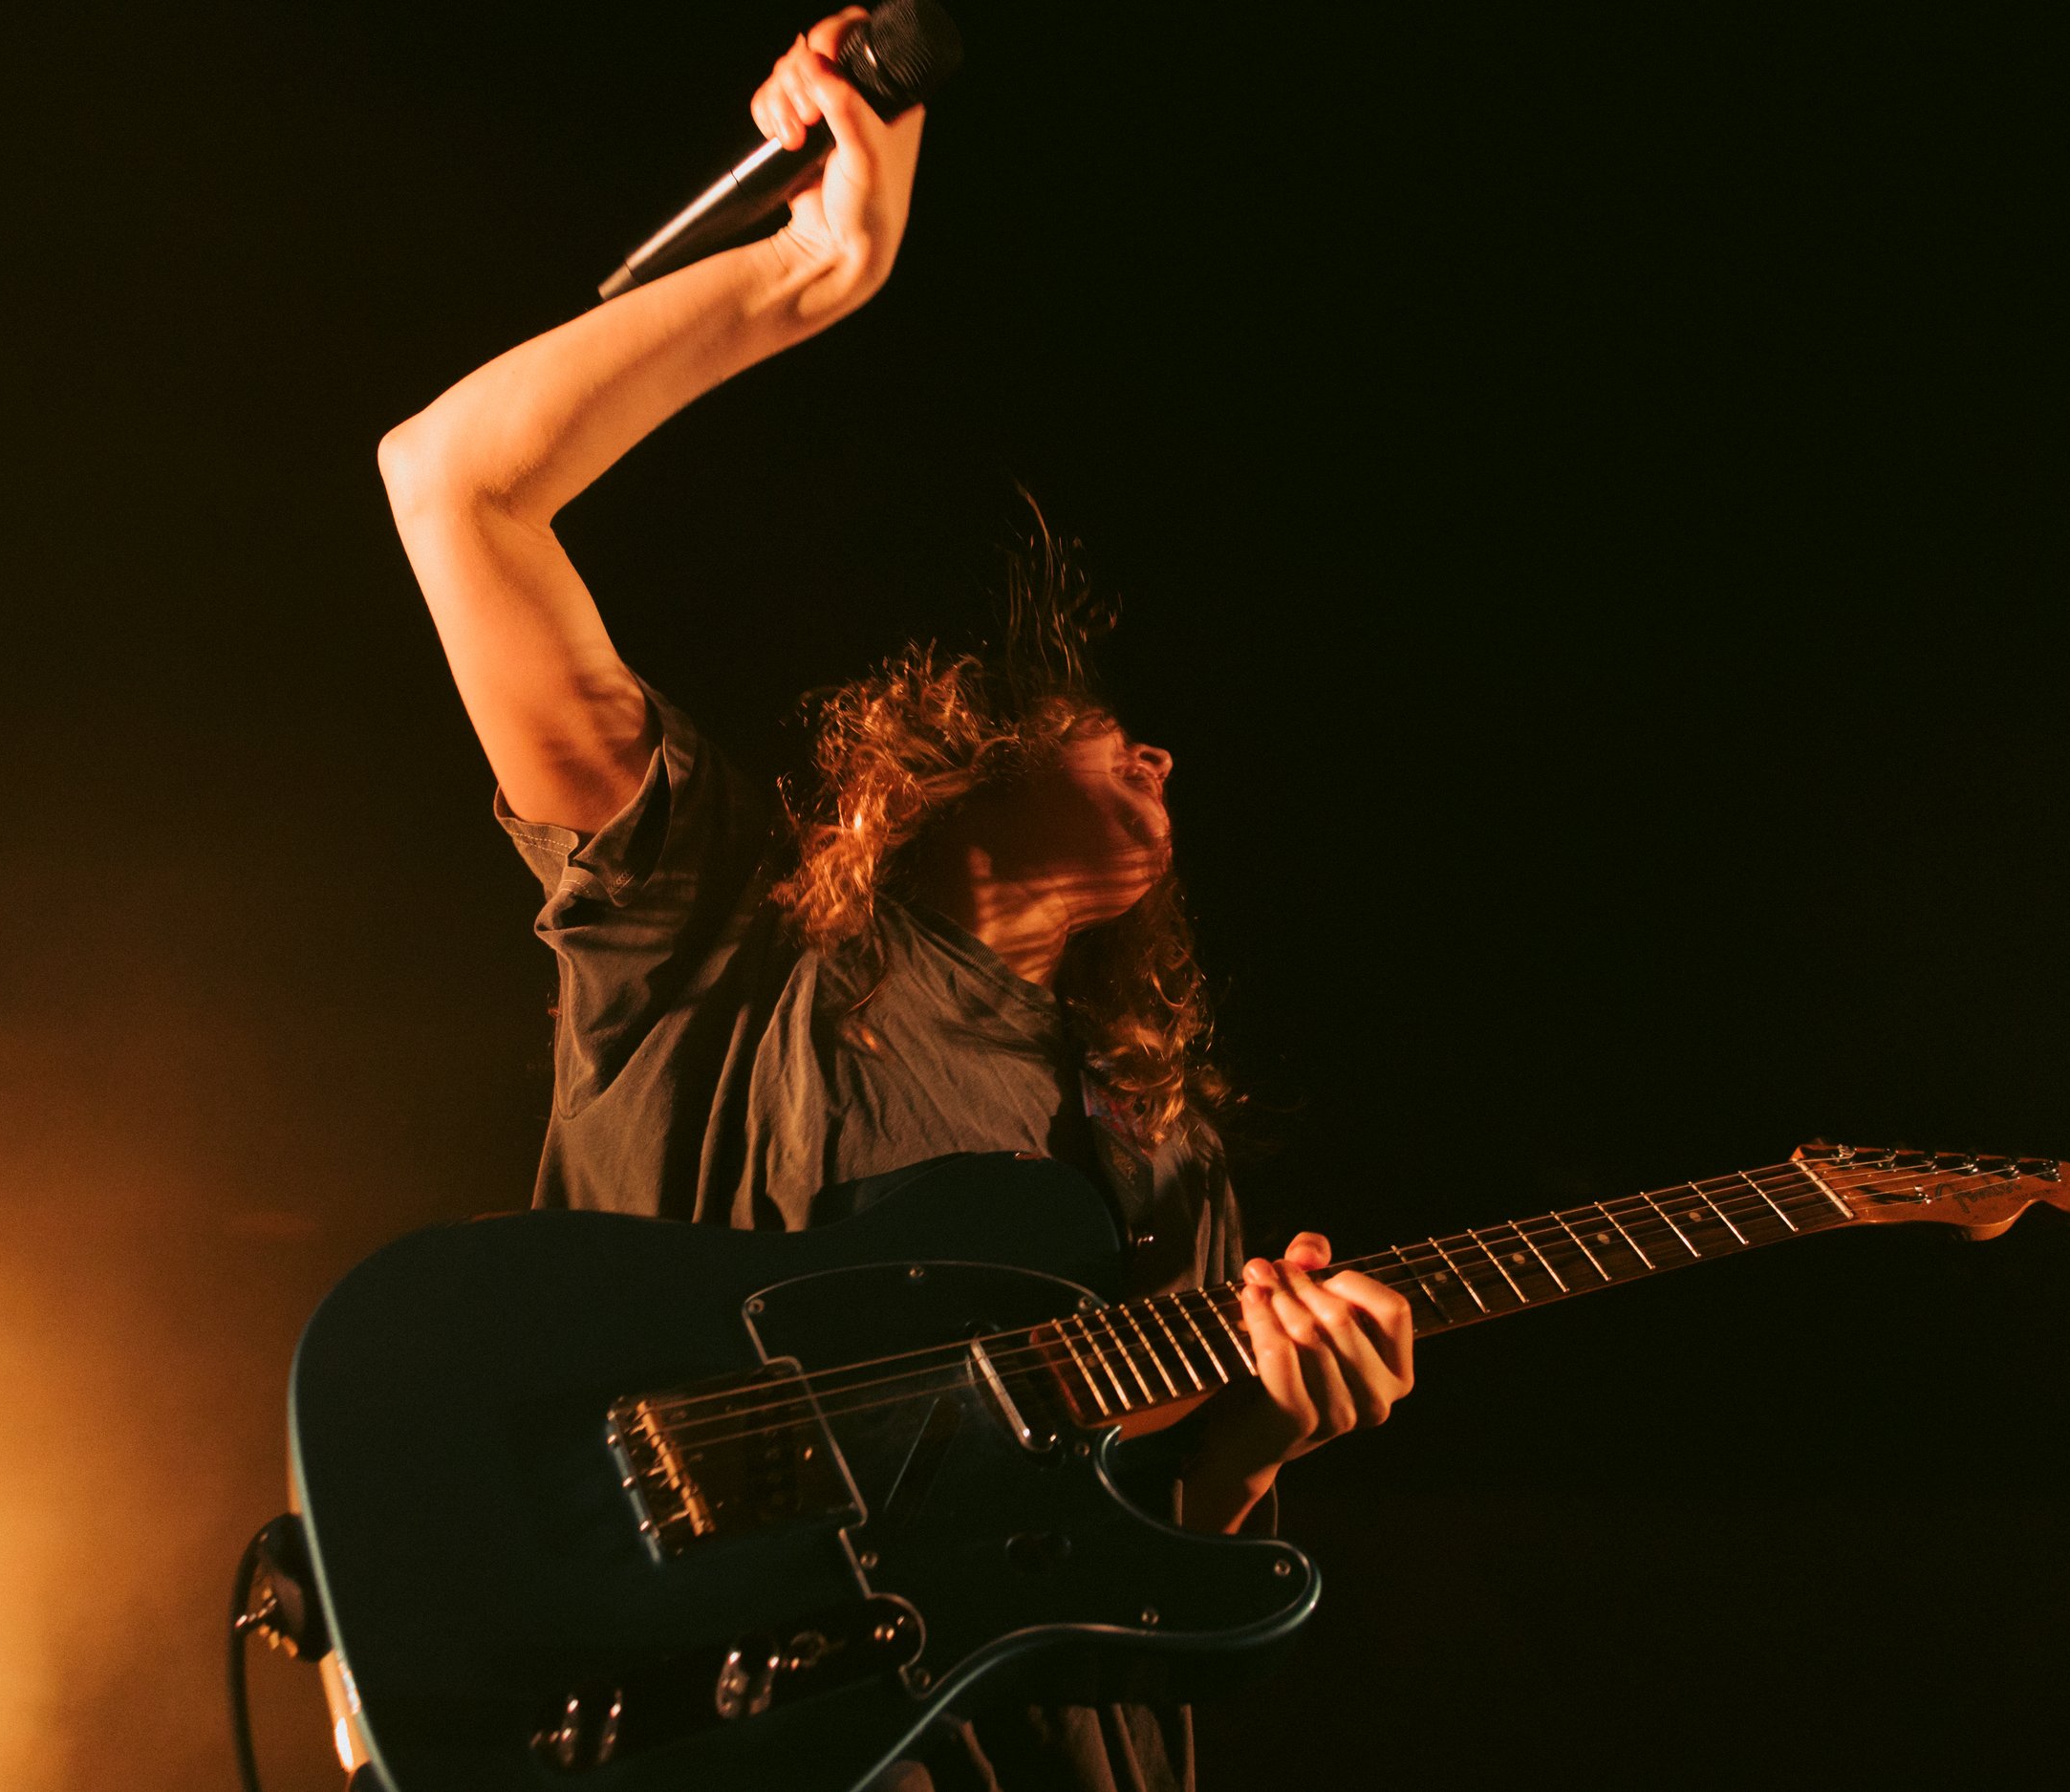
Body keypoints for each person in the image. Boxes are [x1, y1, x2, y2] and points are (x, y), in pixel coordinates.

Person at [376, 11, 1414, 1786]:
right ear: (953, 772)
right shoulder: (711, 930)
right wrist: (812, 272)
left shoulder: (1155, 1148)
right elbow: (452, 486)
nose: (1163, 757)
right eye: (1109, 730)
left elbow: (1140, 1550)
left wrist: (1254, 1442)